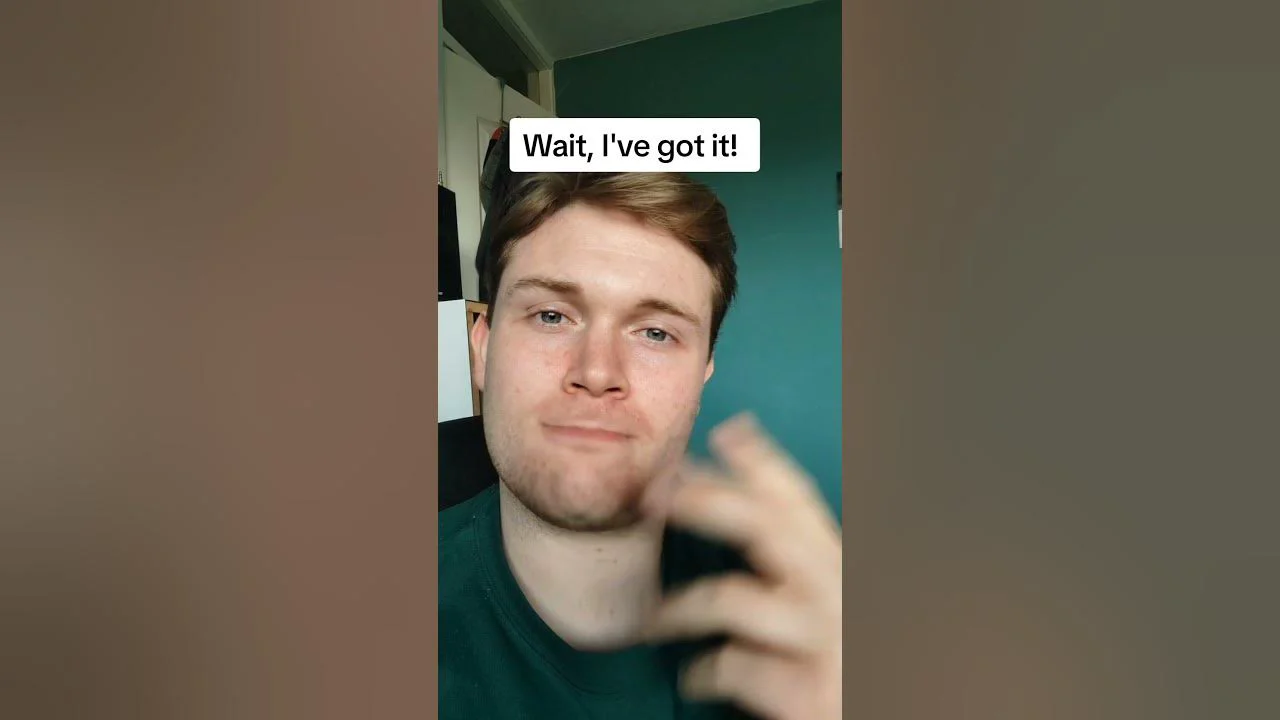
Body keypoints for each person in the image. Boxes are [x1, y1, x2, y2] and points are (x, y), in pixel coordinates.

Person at [439, 172, 842, 719]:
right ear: (482, 349)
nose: (597, 371)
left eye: (655, 332)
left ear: (703, 372)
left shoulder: (817, 629)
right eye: (551, 316)